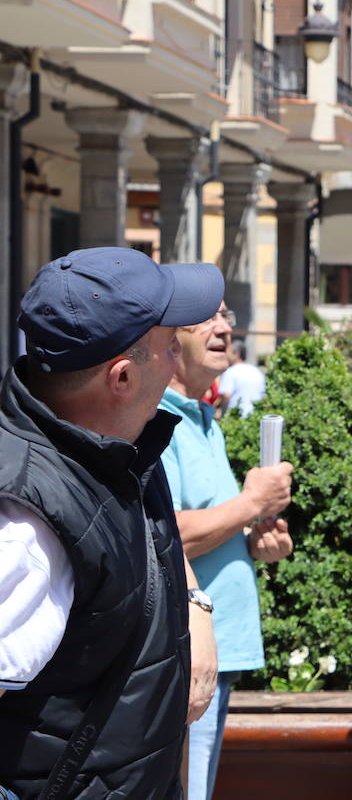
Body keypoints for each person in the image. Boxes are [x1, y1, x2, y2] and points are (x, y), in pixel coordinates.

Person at [0, 247, 224, 798]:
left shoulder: (119, 451)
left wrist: (195, 609)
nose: (179, 359)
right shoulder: (28, 526)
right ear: (122, 377)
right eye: (171, 345)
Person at [160, 301, 294, 800]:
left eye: (226, 315)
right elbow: (166, 534)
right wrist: (251, 503)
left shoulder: (202, 418)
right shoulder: (157, 420)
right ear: (167, 338)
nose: (223, 328)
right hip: (184, 654)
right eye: (205, 317)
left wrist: (259, 541)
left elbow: (208, 526)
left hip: (215, 653)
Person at [217, 337, 266, 416]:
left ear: (237, 354)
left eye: (228, 352)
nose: (225, 355)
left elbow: (226, 395)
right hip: (256, 417)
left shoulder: (231, 372)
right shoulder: (257, 371)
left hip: (236, 418)